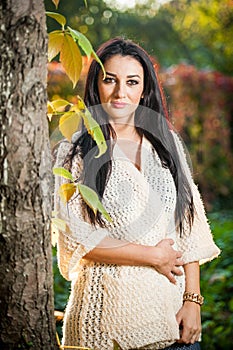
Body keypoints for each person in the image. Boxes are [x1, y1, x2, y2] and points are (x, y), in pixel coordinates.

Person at [54, 37, 220, 350]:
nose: (120, 93)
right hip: (104, 326)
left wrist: (193, 301)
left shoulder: (165, 143)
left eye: (132, 82)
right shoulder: (75, 150)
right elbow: (75, 237)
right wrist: (152, 255)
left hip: (173, 321)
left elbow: (190, 225)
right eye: (110, 80)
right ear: (95, 85)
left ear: (144, 89)